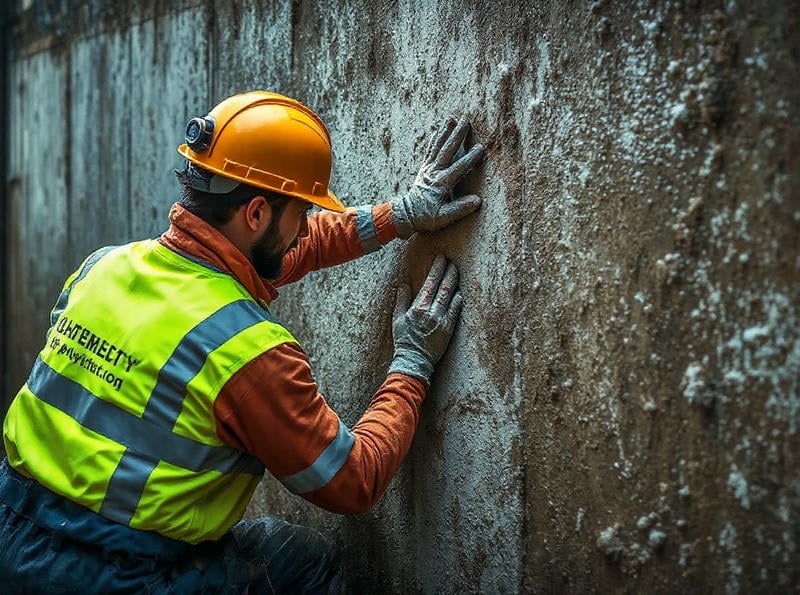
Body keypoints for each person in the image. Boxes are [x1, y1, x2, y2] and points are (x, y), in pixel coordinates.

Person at [0, 90, 485, 593]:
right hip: (119, 574)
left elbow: (286, 251)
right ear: (256, 214)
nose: (304, 229)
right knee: (304, 563)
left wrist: (400, 214)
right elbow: (352, 479)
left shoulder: (103, 269)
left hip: (13, 535)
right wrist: (411, 363)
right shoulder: (246, 352)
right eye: (299, 212)